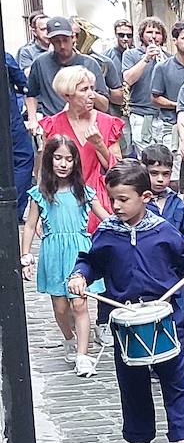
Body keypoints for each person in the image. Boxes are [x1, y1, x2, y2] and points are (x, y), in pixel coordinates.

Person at [67, 160, 184, 443]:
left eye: (123, 199)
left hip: (165, 316)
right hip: (125, 317)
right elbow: (91, 261)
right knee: (132, 382)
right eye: (112, 198)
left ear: (144, 197)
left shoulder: (162, 230)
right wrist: (80, 275)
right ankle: (140, 439)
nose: (115, 206)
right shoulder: (108, 232)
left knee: (175, 380)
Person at [21, 135, 101, 376]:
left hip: (79, 253)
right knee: (60, 307)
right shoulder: (40, 194)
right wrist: (25, 255)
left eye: (69, 159)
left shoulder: (84, 192)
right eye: (58, 158)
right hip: (54, 253)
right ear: (49, 160)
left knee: (79, 304)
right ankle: (69, 337)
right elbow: (29, 225)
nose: (63, 164)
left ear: (76, 162)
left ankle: (83, 355)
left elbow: (106, 218)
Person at [38, 66, 124, 234]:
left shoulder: (107, 123)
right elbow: (45, 170)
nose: (92, 94)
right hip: (62, 200)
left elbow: (119, 170)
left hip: (99, 200)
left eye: (92, 88)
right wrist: (42, 210)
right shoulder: (53, 125)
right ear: (67, 95)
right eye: (84, 90)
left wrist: (99, 144)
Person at [25, 17, 110, 120]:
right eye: (57, 41)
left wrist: (87, 91)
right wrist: (32, 119)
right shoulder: (40, 63)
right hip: (53, 124)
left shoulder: (90, 63)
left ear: (73, 38)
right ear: (50, 41)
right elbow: (31, 94)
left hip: (84, 123)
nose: (62, 46)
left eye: (65, 40)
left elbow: (104, 106)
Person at [150, 22, 184, 176]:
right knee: (172, 172)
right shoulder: (163, 67)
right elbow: (155, 98)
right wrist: (179, 106)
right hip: (170, 124)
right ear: (174, 40)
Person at [123, 18, 168, 149]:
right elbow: (128, 79)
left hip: (164, 117)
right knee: (146, 159)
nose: (154, 36)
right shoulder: (131, 54)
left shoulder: (169, 58)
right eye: (149, 32)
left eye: (158, 33)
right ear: (142, 35)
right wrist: (146, 58)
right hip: (141, 116)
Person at [141, 144, 184, 238]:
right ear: (143, 171)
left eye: (165, 174)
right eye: (154, 173)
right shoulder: (137, 202)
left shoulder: (177, 203)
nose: (160, 179)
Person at [8, 53, 35, 220]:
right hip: (9, 119)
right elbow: (24, 85)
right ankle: (13, 210)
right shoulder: (4, 57)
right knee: (24, 158)